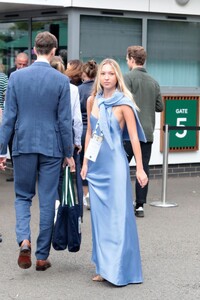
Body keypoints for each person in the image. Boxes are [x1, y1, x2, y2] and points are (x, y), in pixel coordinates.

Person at [0, 31, 75, 271]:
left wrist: (1, 149)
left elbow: (8, 118)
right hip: (52, 147)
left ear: (34, 50)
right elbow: (65, 121)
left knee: (23, 196)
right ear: (53, 51)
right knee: (46, 200)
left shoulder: (16, 78)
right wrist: (68, 152)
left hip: (23, 144)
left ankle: (24, 240)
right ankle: (42, 256)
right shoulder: (61, 81)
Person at [80, 58, 148, 286]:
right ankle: (103, 267)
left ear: (117, 77)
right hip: (97, 166)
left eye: (110, 73)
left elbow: (135, 139)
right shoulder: (92, 100)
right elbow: (89, 134)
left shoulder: (124, 104)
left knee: (118, 218)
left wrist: (140, 167)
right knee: (99, 220)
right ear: (98, 77)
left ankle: (119, 269)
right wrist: (85, 163)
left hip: (116, 166)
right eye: (103, 73)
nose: (106, 77)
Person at [124, 46, 163, 218]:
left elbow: (122, 102)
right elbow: (159, 107)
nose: (126, 61)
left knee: (121, 165)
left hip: (127, 133)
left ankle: (120, 200)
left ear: (132, 59)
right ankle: (140, 205)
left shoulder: (127, 78)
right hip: (147, 133)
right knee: (143, 167)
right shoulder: (153, 81)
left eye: (127, 58)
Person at [50, 56, 83, 215]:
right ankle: (62, 211)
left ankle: (53, 208)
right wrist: (77, 141)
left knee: (49, 177)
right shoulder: (73, 89)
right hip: (66, 137)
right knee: (64, 177)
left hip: (47, 138)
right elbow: (76, 119)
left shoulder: (45, 86)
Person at [78, 60, 98, 209]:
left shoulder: (78, 90)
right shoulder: (100, 90)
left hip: (83, 130)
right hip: (97, 131)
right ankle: (95, 193)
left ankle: (85, 195)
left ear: (83, 74)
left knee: (83, 164)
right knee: (95, 163)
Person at [7, 52, 29, 182]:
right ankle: (16, 172)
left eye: (24, 64)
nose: (21, 66)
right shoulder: (11, 73)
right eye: (19, 64)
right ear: (15, 63)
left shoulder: (30, 74)